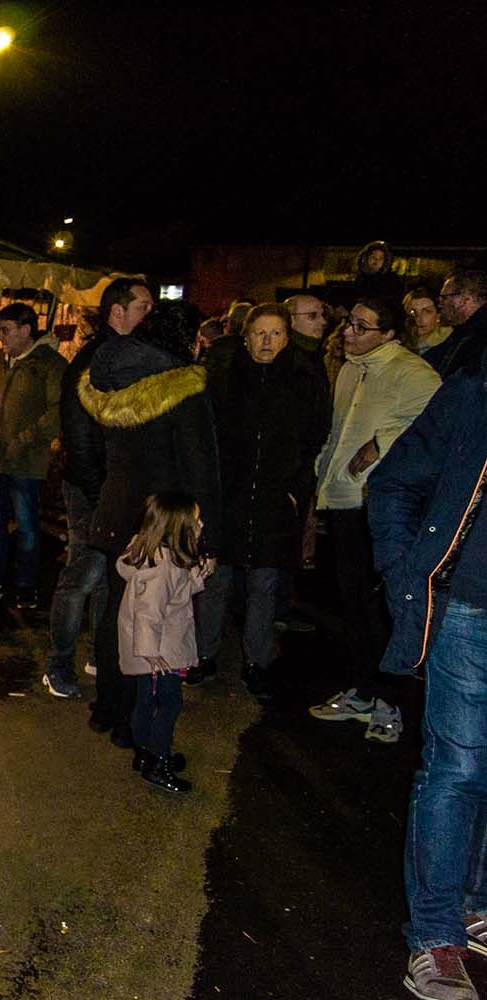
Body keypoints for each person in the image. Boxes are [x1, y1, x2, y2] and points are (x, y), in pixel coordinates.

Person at [369, 360, 487, 1000]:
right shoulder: (474, 395)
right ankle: (437, 937)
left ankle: (476, 904)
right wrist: (404, 569)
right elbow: (392, 483)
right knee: (458, 769)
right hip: (471, 609)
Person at [80, 299, 221, 749]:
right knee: (156, 620)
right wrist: (207, 535)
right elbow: (202, 468)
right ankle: (133, 724)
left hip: (116, 512)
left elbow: (91, 449)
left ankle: (107, 708)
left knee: (115, 615)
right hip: (161, 523)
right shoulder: (183, 389)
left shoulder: (104, 374)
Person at [310, 296, 439, 744]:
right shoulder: (350, 368)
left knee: (381, 608)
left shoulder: (412, 373)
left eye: (361, 327)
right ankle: (364, 691)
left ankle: (391, 701)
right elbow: (339, 429)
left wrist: (381, 443)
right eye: (349, 322)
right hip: (343, 500)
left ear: (388, 334)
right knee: (353, 605)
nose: (348, 332)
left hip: (384, 506)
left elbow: (435, 427)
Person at [194, 305, 330, 698]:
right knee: (216, 579)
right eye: (259, 333)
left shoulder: (303, 382)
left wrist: (295, 488)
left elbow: (314, 439)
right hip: (228, 497)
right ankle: (205, 655)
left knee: (264, 583)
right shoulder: (223, 379)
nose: (267, 341)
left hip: (274, 500)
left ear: (287, 338)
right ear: (246, 336)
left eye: (275, 334)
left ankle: (256, 661)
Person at [40, 277, 152, 697]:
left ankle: (99, 653)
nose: (148, 315)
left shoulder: (130, 357)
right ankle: (58, 663)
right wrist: (96, 489)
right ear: (117, 311)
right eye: (142, 306)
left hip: (116, 486)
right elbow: (78, 433)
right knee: (84, 572)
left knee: (110, 573)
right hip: (93, 486)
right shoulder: (92, 360)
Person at [116, 492, 211, 795]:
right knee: (168, 704)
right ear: (178, 528)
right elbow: (149, 614)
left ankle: (146, 751)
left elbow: (178, 593)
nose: (201, 524)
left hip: (157, 649)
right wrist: (150, 653)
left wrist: (198, 575)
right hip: (159, 652)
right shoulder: (162, 568)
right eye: (196, 520)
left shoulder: (161, 557)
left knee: (147, 701)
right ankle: (158, 761)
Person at [0, 302, 67, 614]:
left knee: (27, 525)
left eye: (6, 330)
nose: (0, 336)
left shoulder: (50, 365)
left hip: (26, 461)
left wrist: (25, 440)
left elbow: (58, 410)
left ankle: (26, 586)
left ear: (26, 330)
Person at [434, 264, 487, 380]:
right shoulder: (462, 334)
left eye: (444, 297)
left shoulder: (477, 339)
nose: (439, 303)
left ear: (464, 300)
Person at [406, 286, 454, 368]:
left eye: (427, 311)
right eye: (413, 312)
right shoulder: (398, 344)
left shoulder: (449, 345)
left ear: (438, 315)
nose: (418, 317)